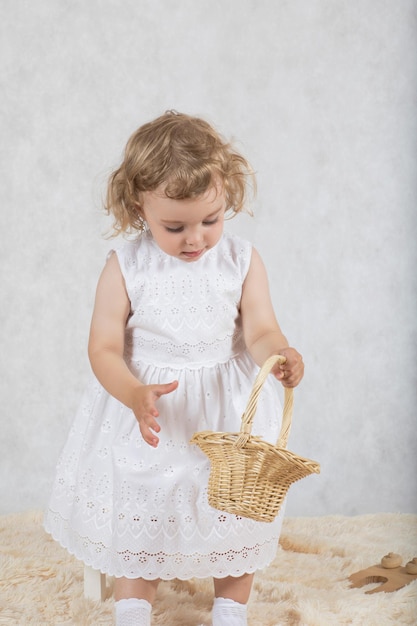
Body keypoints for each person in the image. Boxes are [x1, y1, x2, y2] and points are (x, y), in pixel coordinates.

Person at [44, 111, 304, 626]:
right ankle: (134, 605)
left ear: (226, 192)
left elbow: (258, 330)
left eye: (211, 220)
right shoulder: (127, 266)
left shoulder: (241, 260)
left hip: (223, 414)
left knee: (230, 503)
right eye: (175, 226)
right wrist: (131, 392)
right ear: (138, 206)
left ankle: (231, 606)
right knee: (145, 500)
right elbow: (102, 348)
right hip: (152, 409)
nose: (195, 239)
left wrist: (280, 353)